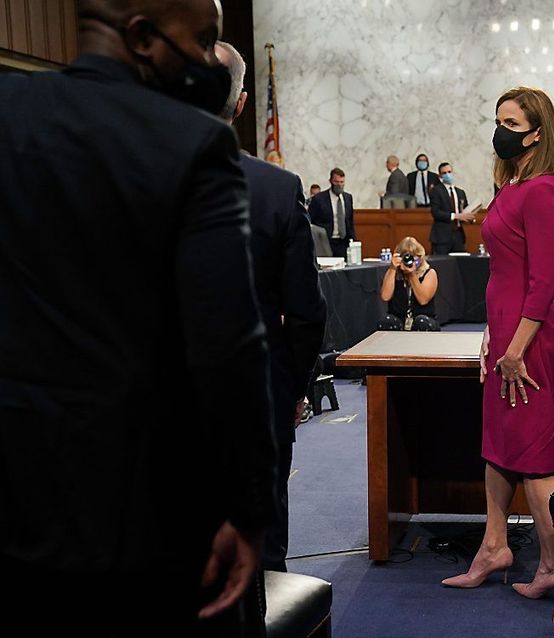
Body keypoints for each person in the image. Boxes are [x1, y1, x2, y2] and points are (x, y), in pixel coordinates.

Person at [0, 0, 275, 633]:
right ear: (145, 38)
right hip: (142, 514)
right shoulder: (195, 142)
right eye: (204, 41)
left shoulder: (9, 114)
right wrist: (249, 504)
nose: (210, 61)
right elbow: (228, 345)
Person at [441, 86, 554, 601]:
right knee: (498, 445)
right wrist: (492, 340)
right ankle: (493, 547)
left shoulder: (543, 188)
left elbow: (542, 282)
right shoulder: (510, 185)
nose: (502, 131)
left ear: (537, 133)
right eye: (499, 121)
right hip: (504, 338)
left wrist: (515, 347)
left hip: (529, 341)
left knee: (534, 451)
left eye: (513, 124)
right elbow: (501, 273)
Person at [216, 40, 326, 574]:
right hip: (259, 388)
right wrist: (296, 387)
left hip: (152, 396)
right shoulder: (277, 188)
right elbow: (305, 311)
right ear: (240, 106)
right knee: (261, 537)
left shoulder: (128, 178)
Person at [378, 236, 440, 331]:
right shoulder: (393, 272)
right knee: (386, 321)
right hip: (399, 319)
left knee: (421, 322)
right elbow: (385, 296)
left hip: (424, 319)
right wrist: (392, 268)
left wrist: (412, 275)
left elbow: (423, 300)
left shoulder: (429, 273)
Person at [308, 167, 355, 258]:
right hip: (325, 241)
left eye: (342, 182)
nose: (340, 185)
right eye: (336, 182)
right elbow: (311, 222)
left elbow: (350, 221)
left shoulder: (348, 198)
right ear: (330, 181)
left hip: (343, 242)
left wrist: (353, 241)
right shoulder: (319, 199)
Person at [430, 162, 475, 255]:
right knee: (442, 265)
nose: (448, 175)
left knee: (460, 264)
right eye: (444, 173)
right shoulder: (436, 191)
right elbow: (436, 212)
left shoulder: (460, 192)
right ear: (440, 176)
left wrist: (470, 217)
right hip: (442, 237)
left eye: (449, 172)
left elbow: (464, 211)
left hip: (458, 235)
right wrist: (456, 216)